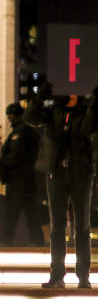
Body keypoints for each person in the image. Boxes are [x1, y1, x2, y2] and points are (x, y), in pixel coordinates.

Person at [24, 83, 98, 288]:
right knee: (57, 226)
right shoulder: (53, 109)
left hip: (81, 173)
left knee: (82, 226)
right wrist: (39, 97)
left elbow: (88, 129)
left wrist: (95, 102)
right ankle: (57, 274)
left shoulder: (86, 108)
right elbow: (30, 119)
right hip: (57, 172)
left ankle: (83, 276)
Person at [0, 102, 45, 246]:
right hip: (24, 180)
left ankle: (7, 242)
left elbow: (14, 156)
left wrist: (5, 167)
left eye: (10, 115)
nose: (9, 119)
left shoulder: (22, 131)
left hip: (20, 180)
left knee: (13, 213)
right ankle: (36, 241)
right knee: (29, 213)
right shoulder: (23, 131)